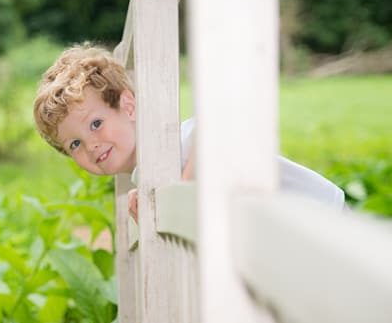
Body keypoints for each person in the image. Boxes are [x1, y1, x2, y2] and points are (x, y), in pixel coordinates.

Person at [33, 43, 346, 223]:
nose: (90, 144)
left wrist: (181, 191)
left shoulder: (179, 141)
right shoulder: (147, 175)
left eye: (96, 124)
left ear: (128, 106)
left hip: (321, 218)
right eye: (74, 143)